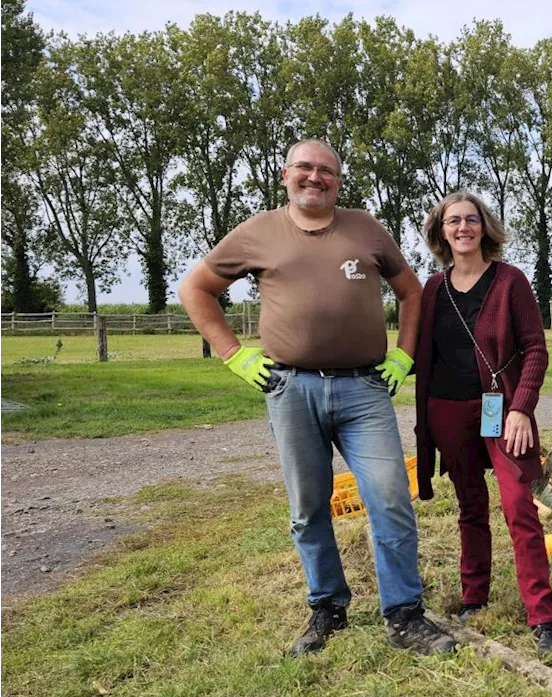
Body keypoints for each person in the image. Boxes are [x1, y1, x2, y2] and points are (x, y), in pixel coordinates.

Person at [178, 138, 458, 657]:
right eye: (304, 168)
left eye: (326, 170)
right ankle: (328, 607)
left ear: (338, 179)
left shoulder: (366, 228)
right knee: (308, 507)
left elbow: (412, 291)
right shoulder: (257, 233)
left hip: (364, 389)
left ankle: (404, 615)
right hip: (290, 388)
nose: (315, 177)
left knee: (391, 499)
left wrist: (403, 356)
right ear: (286, 175)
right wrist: (234, 354)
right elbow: (196, 289)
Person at [414, 190, 552, 656]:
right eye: (453, 220)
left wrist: (521, 407)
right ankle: (474, 595)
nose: (463, 227)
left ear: (485, 227)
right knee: (470, 506)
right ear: (441, 231)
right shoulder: (433, 289)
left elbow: (536, 350)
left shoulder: (511, 281)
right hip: (448, 411)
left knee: (519, 506)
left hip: (503, 410)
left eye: (471, 219)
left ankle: (542, 615)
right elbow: (423, 355)